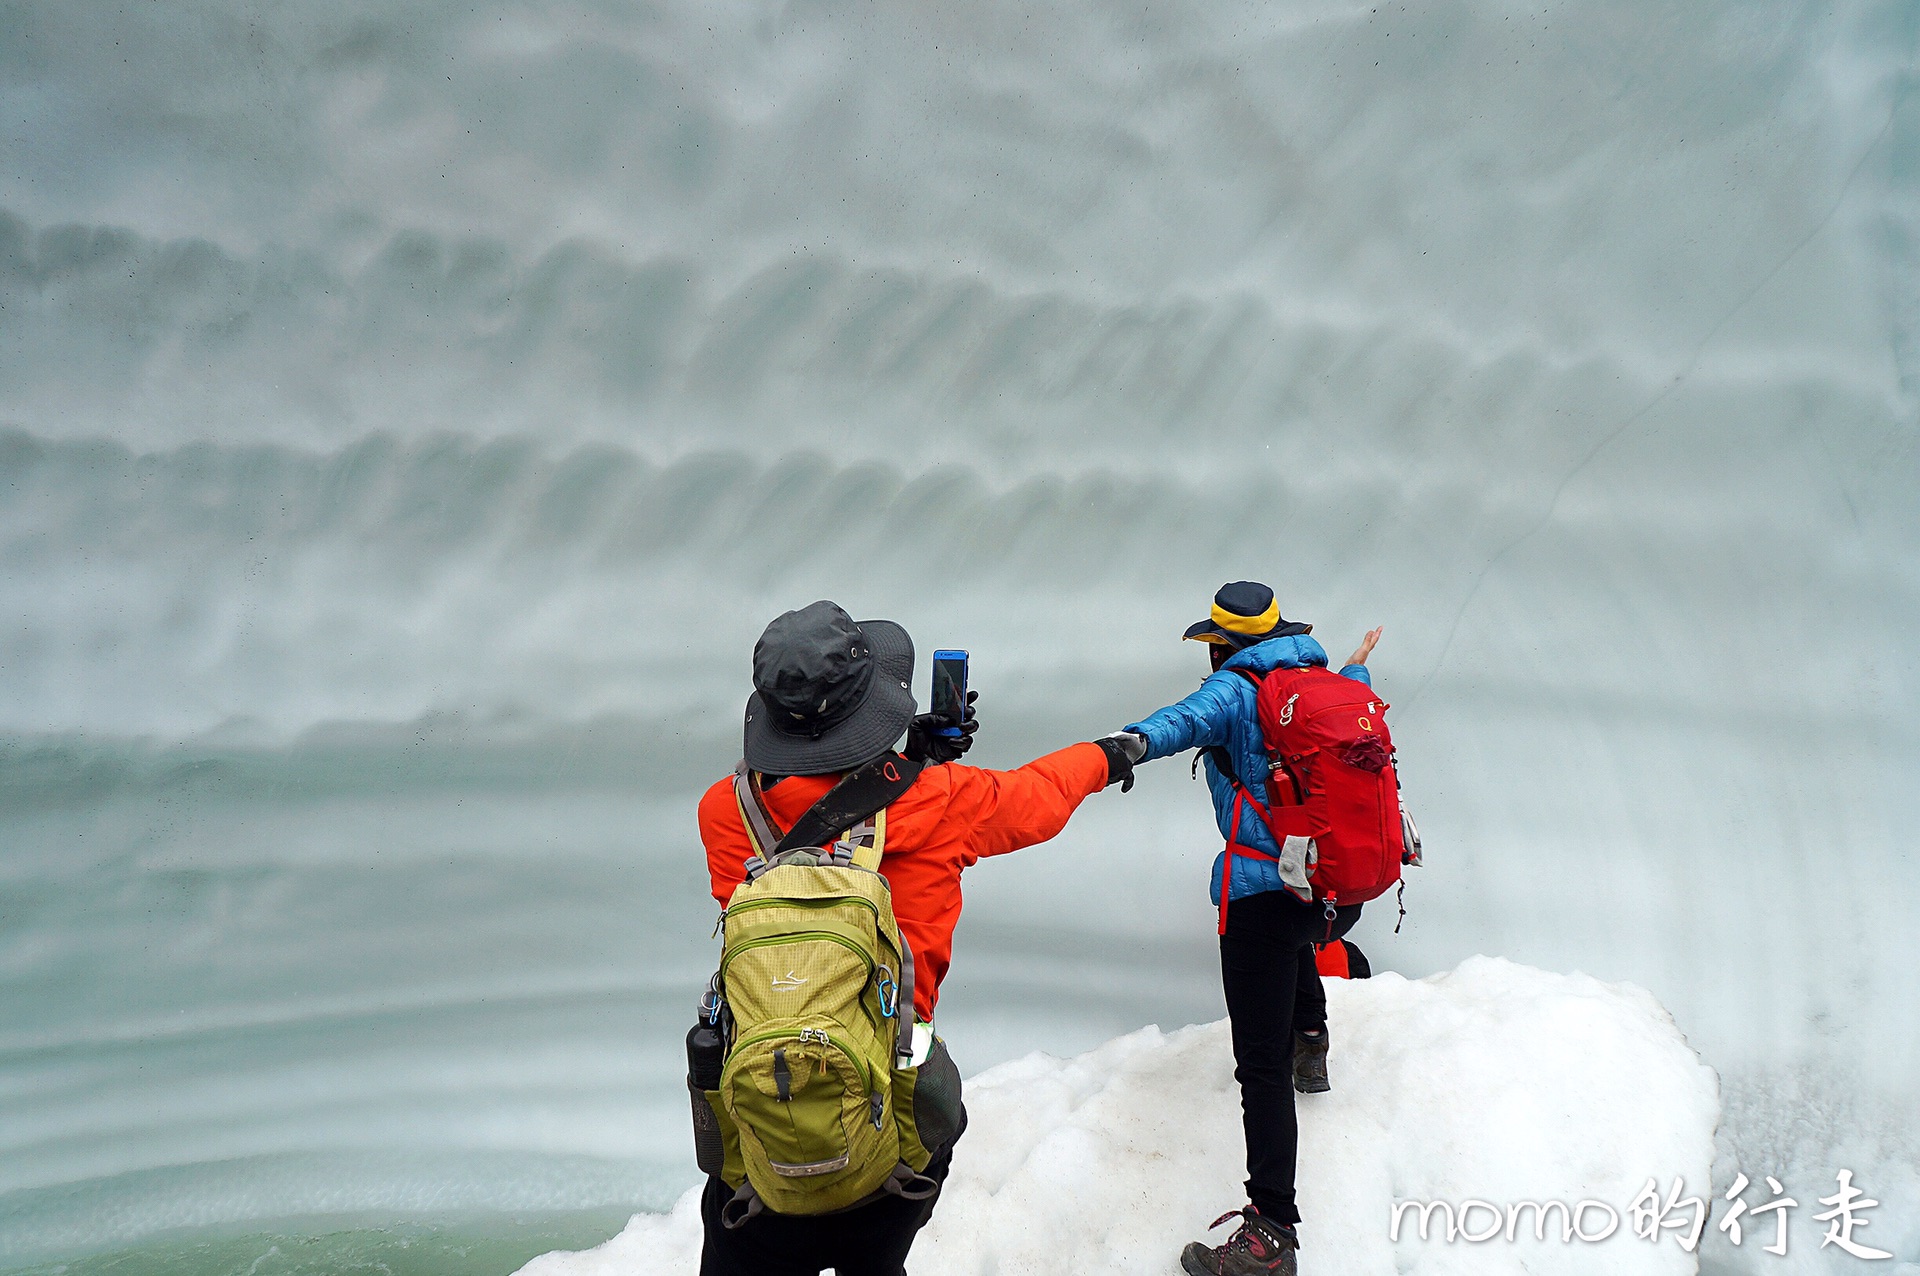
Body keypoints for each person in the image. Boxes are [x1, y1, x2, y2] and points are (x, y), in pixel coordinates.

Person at [695, 600, 1141, 1276]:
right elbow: (1040, 796)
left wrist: (903, 764)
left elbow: (811, 828)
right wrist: (1111, 753)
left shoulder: (723, 812)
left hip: (761, 1137)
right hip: (893, 1132)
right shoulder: (944, 799)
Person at [1118, 581, 1381, 1276]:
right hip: (1333, 888)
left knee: (1257, 1067)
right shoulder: (1318, 677)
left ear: (1222, 646)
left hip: (1265, 897)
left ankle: (1272, 1234)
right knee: (1297, 946)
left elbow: (1181, 721)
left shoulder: (1234, 692)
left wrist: (1126, 746)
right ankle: (1314, 1046)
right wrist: (1356, 667)